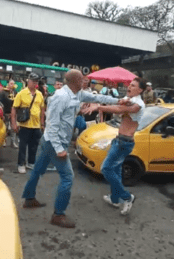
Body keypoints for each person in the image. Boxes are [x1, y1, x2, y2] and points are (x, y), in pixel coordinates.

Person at [21, 69, 126, 229]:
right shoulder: (60, 97)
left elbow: (97, 97)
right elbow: (52, 124)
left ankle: (29, 199)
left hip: (51, 141)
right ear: (76, 81)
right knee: (68, 177)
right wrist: (59, 149)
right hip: (54, 142)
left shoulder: (78, 94)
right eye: (82, 79)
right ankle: (58, 214)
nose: (85, 81)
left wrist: (119, 101)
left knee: (37, 170)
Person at [82, 77, 147, 215]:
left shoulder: (138, 104)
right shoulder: (130, 100)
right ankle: (115, 199)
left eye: (133, 85)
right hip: (119, 140)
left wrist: (98, 106)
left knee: (106, 169)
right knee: (116, 171)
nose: (129, 86)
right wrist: (119, 100)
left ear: (140, 90)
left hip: (124, 143)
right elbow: (118, 103)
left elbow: (118, 109)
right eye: (129, 84)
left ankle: (127, 197)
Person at [11, 73, 45, 174]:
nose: (34, 83)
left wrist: (42, 124)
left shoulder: (39, 94)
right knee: (22, 146)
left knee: (34, 145)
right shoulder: (21, 93)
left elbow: (42, 110)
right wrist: (14, 123)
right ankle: (21, 164)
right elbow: (14, 109)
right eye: (32, 81)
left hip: (36, 125)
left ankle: (31, 162)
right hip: (24, 125)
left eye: (36, 81)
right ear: (28, 81)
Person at [0, 79, 18, 148]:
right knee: (5, 128)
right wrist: (4, 113)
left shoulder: (15, 92)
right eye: (11, 83)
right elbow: (1, 102)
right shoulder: (3, 92)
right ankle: (4, 141)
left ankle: (13, 142)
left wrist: (13, 112)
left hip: (13, 113)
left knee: (13, 128)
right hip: (6, 113)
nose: (12, 85)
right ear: (8, 84)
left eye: (13, 83)